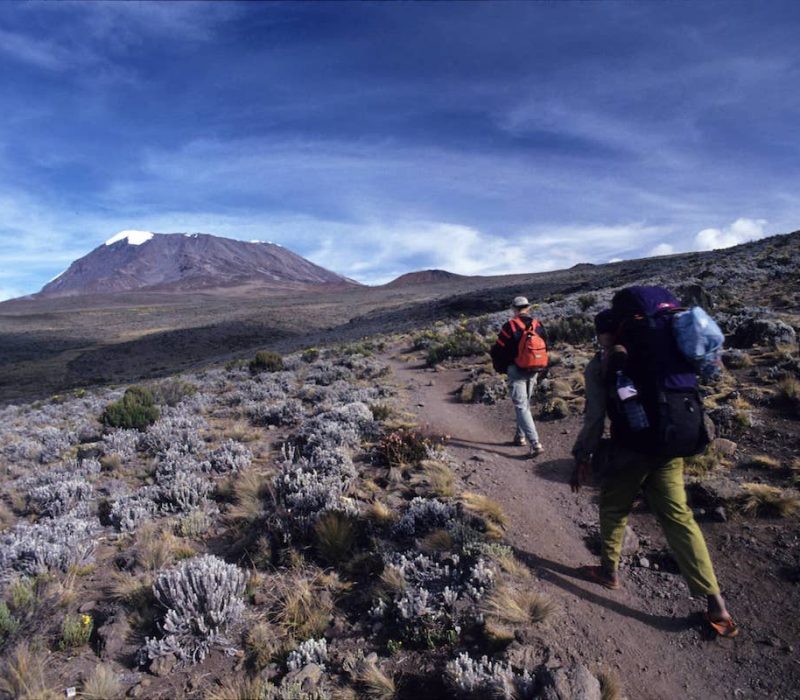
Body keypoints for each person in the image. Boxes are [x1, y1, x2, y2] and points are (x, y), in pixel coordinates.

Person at [570, 309, 738, 638]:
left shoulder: (605, 363)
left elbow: (594, 416)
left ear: (606, 333)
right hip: (669, 447)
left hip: (631, 449)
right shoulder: (664, 350)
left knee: (614, 508)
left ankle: (609, 572)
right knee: (679, 518)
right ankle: (716, 603)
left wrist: (582, 457)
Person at [490, 296, 547, 457]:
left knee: (522, 406)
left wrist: (501, 366)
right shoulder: (538, 325)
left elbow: (499, 350)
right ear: (528, 308)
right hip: (535, 368)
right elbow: (546, 346)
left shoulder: (510, 326)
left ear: (514, 309)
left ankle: (535, 444)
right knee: (525, 405)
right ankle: (520, 437)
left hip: (516, 370)